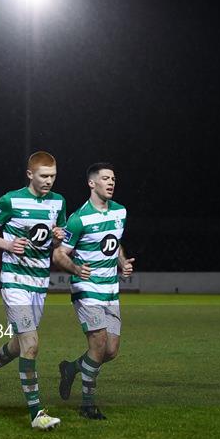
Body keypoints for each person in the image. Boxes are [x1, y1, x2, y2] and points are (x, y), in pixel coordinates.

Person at [0, 151, 66, 430]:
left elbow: (52, 238)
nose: (49, 181)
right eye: (44, 176)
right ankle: (37, 414)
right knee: (32, 344)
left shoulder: (58, 202)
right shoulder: (10, 200)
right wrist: (7, 245)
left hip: (40, 283)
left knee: (19, 344)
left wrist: (58, 235)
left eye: (53, 176)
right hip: (14, 281)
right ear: (30, 174)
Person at [53, 162, 135, 420]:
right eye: (105, 179)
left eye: (113, 178)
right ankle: (87, 405)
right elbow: (59, 254)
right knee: (98, 345)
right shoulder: (78, 219)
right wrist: (76, 269)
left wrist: (121, 262)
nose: (111, 183)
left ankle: (71, 369)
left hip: (111, 291)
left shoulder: (120, 211)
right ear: (92, 183)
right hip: (86, 289)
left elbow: (116, 240)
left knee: (110, 351)